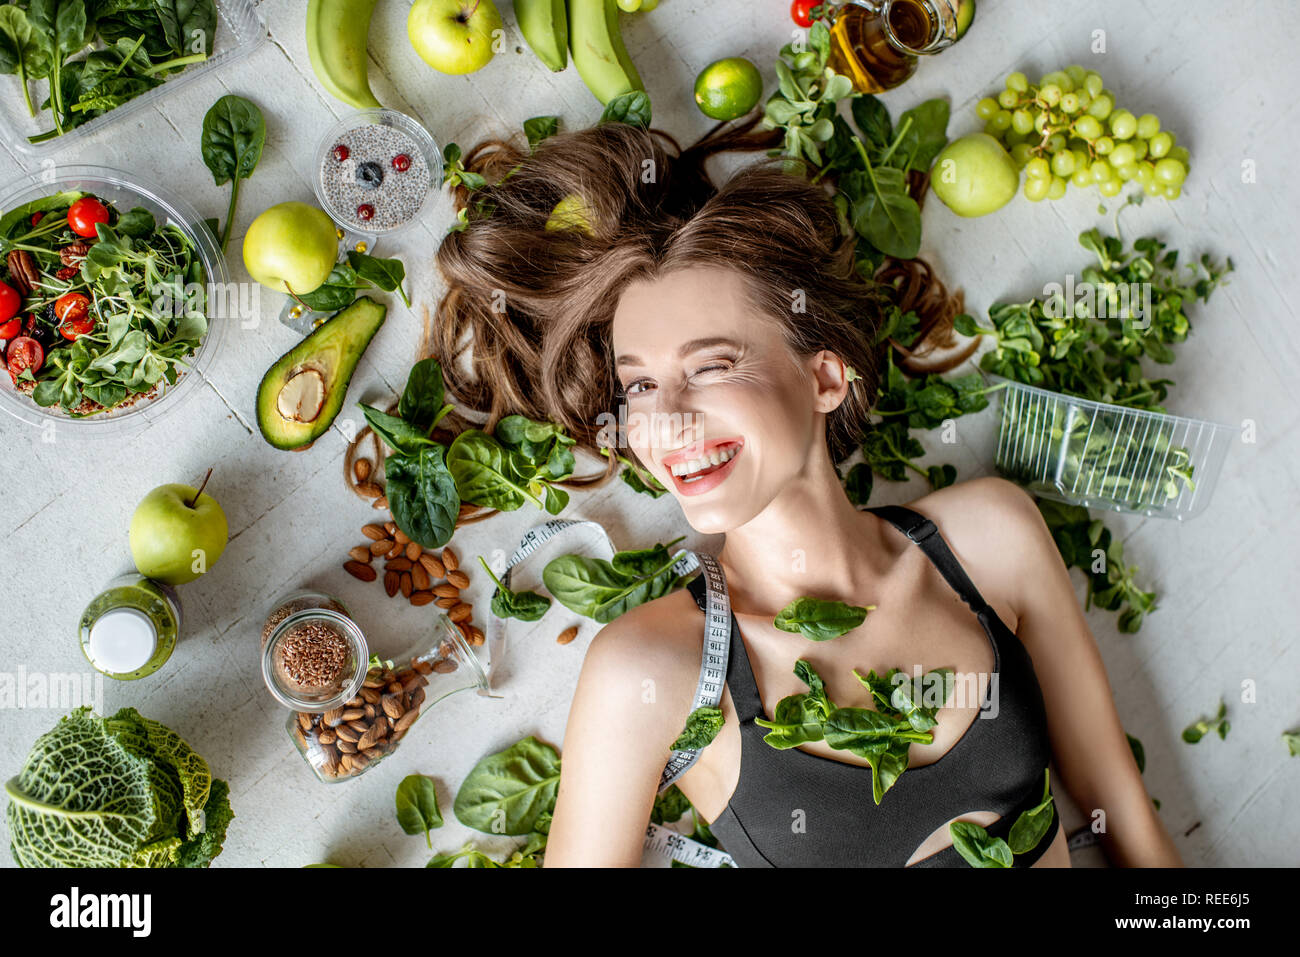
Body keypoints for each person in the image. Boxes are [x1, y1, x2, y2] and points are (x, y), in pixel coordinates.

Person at [431, 119, 1181, 868]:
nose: (667, 421)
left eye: (712, 366)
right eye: (640, 385)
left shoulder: (990, 538)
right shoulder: (652, 667)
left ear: (825, 377)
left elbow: (1124, 815)